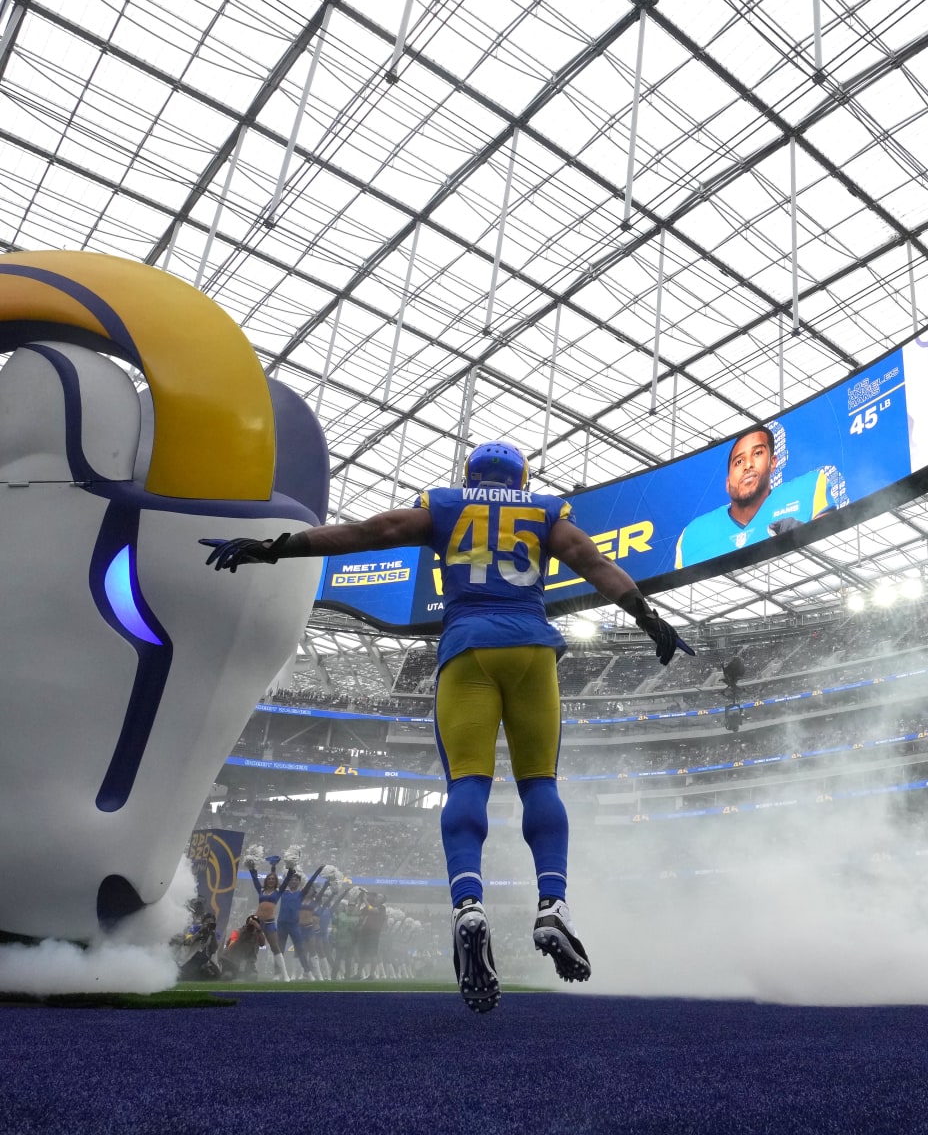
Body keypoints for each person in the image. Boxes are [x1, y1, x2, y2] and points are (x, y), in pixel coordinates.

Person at [201, 438, 693, 1014]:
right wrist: (646, 614)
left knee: (467, 784)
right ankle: (553, 904)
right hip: (532, 648)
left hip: (467, 648)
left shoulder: (445, 506)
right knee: (541, 784)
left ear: (470, 474)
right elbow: (591, 560)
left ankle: (468, 905)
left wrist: (274, 547)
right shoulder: (543, 511)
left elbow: (372, 532)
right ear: (521, 477)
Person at [674, 425, 844, 569]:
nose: (748, 465)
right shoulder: (692, 534)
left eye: (757, 453)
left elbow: (832, 550)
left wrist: (801, 539)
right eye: (738, 462)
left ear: (773, 462)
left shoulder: (808, 488)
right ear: (727, 483)